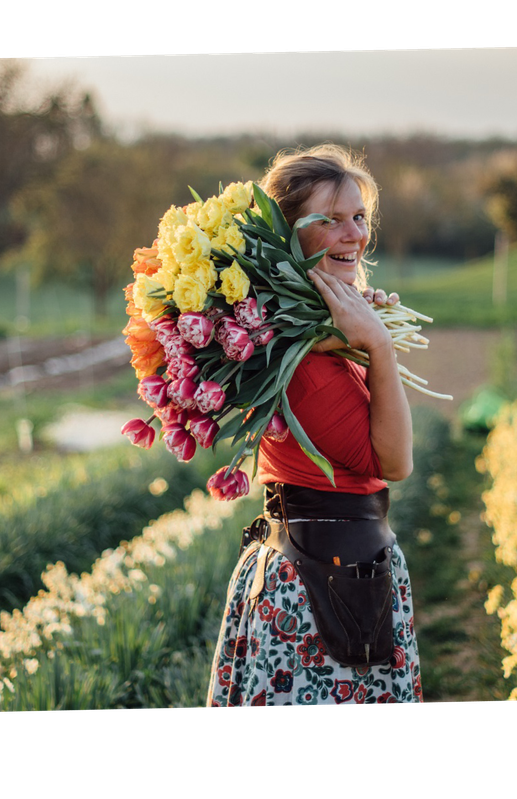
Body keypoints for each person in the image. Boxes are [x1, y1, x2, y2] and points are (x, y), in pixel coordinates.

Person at [206, 144, 423, 707]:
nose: (354, 234)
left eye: (359, 218)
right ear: (287, 238)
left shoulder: (299, 340)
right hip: (327, 585)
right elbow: (397, 464)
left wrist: (357, 331)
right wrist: (376, 342)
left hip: (317, 570)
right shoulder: (307, 367)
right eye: (330, 220)